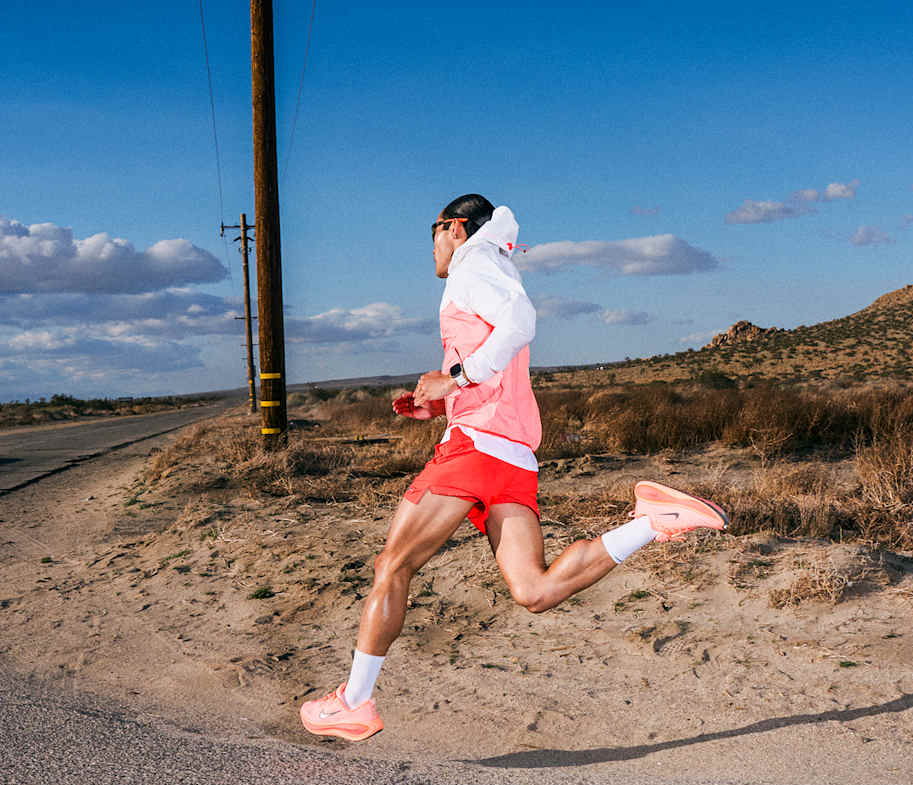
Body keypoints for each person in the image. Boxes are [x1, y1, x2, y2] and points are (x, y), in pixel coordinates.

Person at [300, 194, 728, 741]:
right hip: (511, 455)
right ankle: (654, 520)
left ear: (454, 228)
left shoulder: (473, 262)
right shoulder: (492, 265)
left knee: (392, 565)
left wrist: (455, 378)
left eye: (431, 233)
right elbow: (495, 361)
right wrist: (440, 400)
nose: (429, 248)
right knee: (535, 591)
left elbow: (521, 322)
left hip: (475, 449)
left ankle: (354, 702)